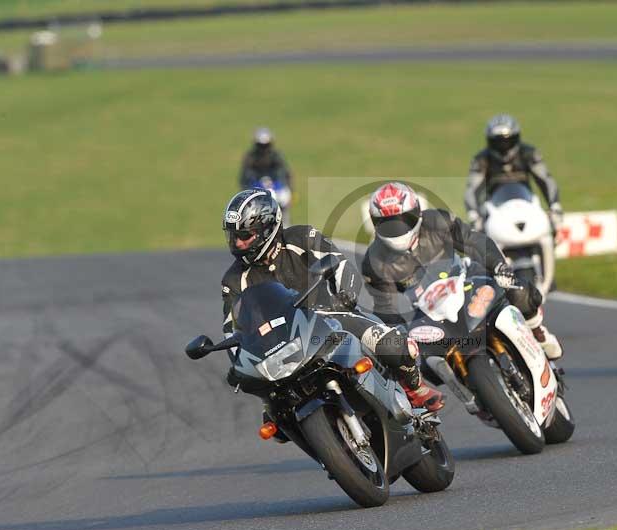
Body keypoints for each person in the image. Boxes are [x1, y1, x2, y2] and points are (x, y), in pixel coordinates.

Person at [220, 189, 444, 415]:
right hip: (283, 346)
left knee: (391, 344)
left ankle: (416, 387)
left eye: (245, 235)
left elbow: (340, 265)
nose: (237, 243)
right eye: (232, 236)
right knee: (274, 414)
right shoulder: (234, 280)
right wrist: (240, 361)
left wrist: (344, 296)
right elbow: (232, 328)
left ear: (267, 229)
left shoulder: (301, 237)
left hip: (330, 319)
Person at [362, 182, 563, 360]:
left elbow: (475, 242)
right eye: (389, 225)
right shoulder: (375, 262)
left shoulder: (438, 221)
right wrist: (400, 335)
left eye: (403, 220)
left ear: (416, 213)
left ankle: (538, 331)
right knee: (407, 357)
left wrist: (498, 267)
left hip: (467, 278)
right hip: (426, 312)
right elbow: (385, 309)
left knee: (517, 290)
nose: (398, 229)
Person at [466, 114, 563, 234]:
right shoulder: (481, 160)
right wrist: (474, 215)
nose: (503, 146)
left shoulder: (529, 154)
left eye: (507, 141)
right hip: (494, 212)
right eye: (498, 142)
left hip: (527, 206)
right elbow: (472, 189)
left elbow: (546, 180)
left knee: (550, 232)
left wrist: (554, 206)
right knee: (482, 242)